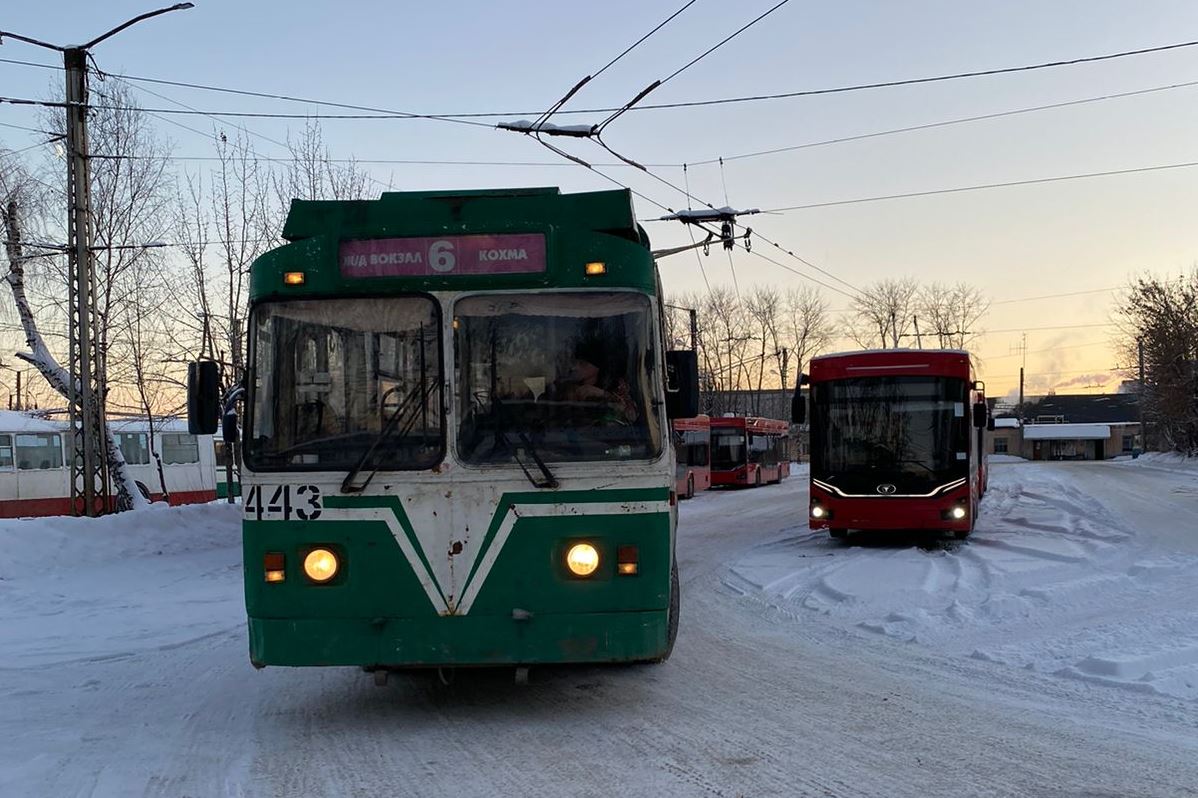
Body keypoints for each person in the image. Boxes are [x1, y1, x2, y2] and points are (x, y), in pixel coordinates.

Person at [558, 358, 637, 423]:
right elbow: (630, 416)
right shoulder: (595, 410)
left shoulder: (612, 375)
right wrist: (603, 394)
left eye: (582, 363)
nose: (575, 368)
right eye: (576, 396)